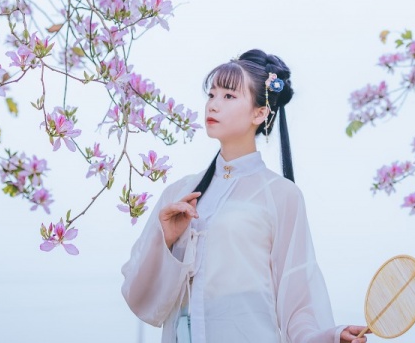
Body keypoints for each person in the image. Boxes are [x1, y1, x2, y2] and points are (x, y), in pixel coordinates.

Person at [121, 49, 369, 343]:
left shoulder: (281, 195)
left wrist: (327, 336)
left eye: (228, 96)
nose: (213, 105)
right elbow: (140, 294)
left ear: (260, 113)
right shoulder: (179, 194)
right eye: (211, 95)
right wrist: (165, 238)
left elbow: (297, 297)